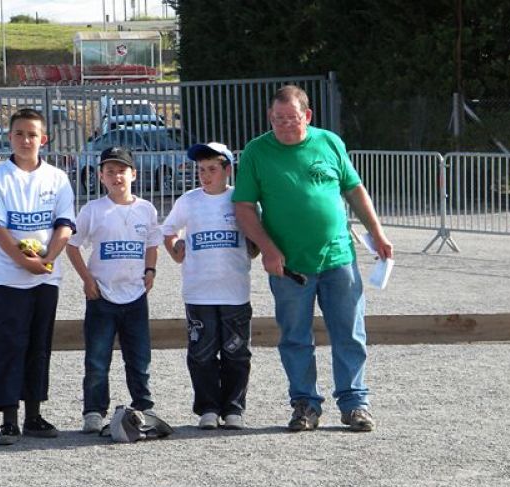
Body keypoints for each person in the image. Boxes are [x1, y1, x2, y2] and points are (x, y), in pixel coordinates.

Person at [232, 85, 393, 432]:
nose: (284, 125)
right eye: (278, 119)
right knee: (295, 337)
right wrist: (268, 248)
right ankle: (305, 403)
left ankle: (355, 403)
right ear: (269, 117)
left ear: (307, 116)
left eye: (291, 118)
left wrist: (377, 232)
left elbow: (354, 189)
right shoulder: (257, 151)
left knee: (350, 332)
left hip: (339, 257)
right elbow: (243, 207)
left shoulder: (330, 142)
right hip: (289, 264)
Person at [0, 107, 76, 445]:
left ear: (43, 139)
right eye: (19, 133)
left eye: (32, 134)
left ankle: (34, 415)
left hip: (46, 277)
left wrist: (47, 260)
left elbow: (64, 225)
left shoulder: (57, 178)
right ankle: (8, 420)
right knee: (8, 345)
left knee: (39, 345)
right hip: (9, 277)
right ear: (9, 137)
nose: (26, 140)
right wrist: (22, 260)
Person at [66, 146, 162, 434]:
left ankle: (144, 405)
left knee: (139, 358)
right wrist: (87, 280)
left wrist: (150, 270)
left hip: (135, 296)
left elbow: (152, 244)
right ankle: (94, 411)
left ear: (134, 174)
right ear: (101, 177)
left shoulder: (146, 209)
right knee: (97, 359)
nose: (116, 177)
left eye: (121, 170)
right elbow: (72, 246)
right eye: (110, 172)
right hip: (102, 296)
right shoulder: (93, 210)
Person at [162, 142, 253, 430]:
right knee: (201, 353)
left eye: (212, 169)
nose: (205, 175)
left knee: (236, 352)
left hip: (234, 291)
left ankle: (234, 408)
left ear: (227, 170)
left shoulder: (241, 199)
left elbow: (256, 236)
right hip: (199, 290)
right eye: (201, 170)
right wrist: (175, 247)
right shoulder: (189, 201)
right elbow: (168, 229)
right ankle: (208, 408)